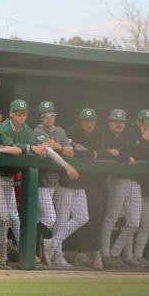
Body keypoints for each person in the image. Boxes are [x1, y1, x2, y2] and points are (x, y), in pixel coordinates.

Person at [0, 99, 48, 263]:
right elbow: (11, 148)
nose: (21, 117)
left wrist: (38, 148)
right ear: (11, 113)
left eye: (24, 114)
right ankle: (2, 252)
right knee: (2, 215)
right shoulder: (3, 128)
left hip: (9, 177)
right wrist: (31, 148)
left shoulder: (27, 129)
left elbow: (33, 147)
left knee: (1, 217)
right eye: (18, 113)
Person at [33, 101, 81, 267]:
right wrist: (67, 165)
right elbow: (49, 152)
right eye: (46, 115)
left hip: (54, 182)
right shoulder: (37, 131)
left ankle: (40, 255)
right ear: (40, 117)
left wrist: (59, 146)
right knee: (50, 218)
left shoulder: (59, 131)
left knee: (44, 218)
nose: (49, 118)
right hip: (40, 181)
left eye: (52, 115)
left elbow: (70, 151)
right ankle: (35, 252)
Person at [99, 109, 140, 269]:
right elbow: (102, 151)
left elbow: (136, 154)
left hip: (134, 180)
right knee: (111, 218)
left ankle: (115, 253)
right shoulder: (103, 134)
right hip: (115, 179)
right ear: (109, 123)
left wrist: (119, 154)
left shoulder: (129, 135)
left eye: (121, 122)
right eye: (115, 121)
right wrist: (115, 154)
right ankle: (105, 254)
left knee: (134, 223)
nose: (118, 124)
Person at [65, 108, 105, 269]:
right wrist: (88, 152)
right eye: (86, 121)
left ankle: (92, 251)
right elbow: (71, 152)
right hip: (70, 181)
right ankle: (65, 249)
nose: (89, 124)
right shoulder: (71, 131)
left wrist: (85, 151)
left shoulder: (99, 133)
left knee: (95, 214)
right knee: (66, 216)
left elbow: (102, 152)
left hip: (92, 182)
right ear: (80, 121)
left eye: (92, 121)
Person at [132, 109, 149, 266]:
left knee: (146, 224)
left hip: (148, 189)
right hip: (132, 186)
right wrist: (144, 140)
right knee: (131, 224)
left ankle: (138, 255)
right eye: (144, 122)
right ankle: (126, 256)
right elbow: (136, 155)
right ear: (138, 123)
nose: (147, 125)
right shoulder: (131, 136)